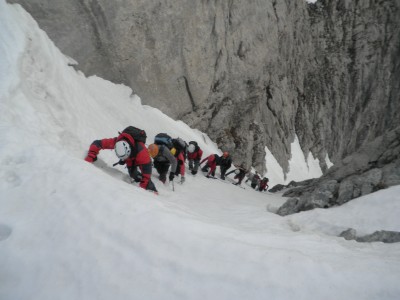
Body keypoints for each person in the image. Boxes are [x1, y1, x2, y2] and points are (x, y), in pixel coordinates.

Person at [84, 126, 157, 193]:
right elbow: (97, 143)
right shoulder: (116, 142)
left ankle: (153, 190)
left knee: (146, 180)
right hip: (130, 159)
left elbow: (147, 169)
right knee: (133, 174)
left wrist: (143, 187)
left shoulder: (141, 151)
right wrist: (91, 155)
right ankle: (137, 179)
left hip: (136, 157)